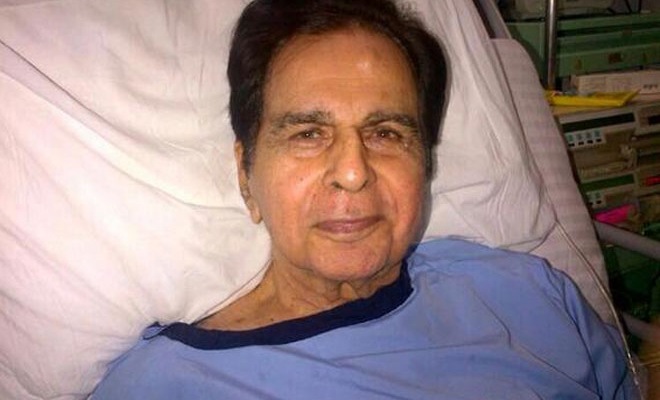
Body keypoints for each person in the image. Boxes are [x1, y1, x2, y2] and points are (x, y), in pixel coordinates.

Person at [93, 0, 638, 398]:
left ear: (425, 164)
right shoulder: (167, 385)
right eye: (308, 133)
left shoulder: (532, 294)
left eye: (386, 133)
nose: (353, 173)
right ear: (245, 175)